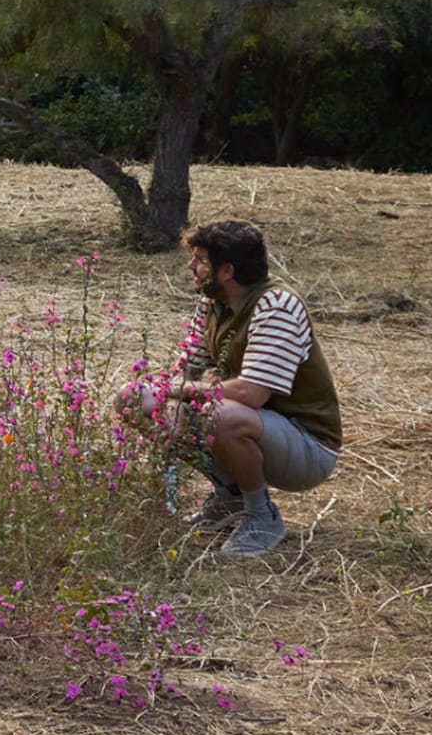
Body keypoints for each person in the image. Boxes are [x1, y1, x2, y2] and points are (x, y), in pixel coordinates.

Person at [116, 219, 342, 557]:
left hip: (307, 446)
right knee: (134, 398)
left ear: (227, 271)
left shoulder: (276, 306)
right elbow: (184, 376)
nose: (192, 267)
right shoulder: (213, 303)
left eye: (201, 260)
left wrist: (183, 394)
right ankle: (229, 498)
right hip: (256, 424)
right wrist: (172, 408)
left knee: (221, 414)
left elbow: (252, 393)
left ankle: (262, 516)